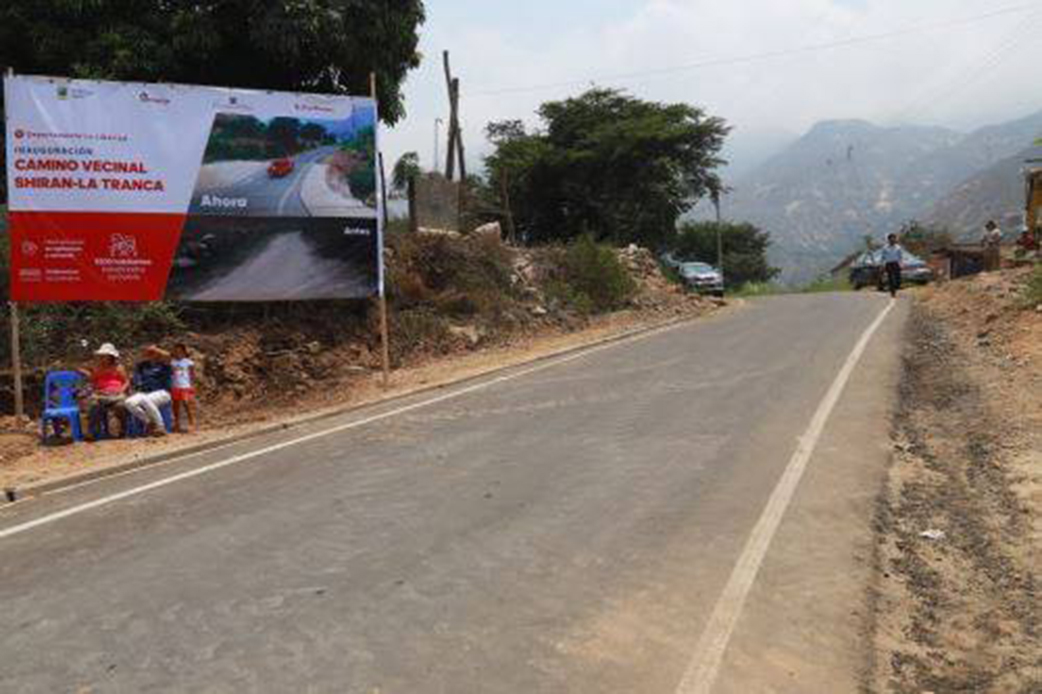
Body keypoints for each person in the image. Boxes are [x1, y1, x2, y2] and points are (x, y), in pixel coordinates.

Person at [78, 343, 130, 439]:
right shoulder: (98, 367)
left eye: (105, 356)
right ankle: (93, 432)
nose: (103, 358)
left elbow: (126, 381)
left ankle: (123, 429)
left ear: (111, 357)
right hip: (101, 393)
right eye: (102, 356)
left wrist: (121, 390)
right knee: (94, 405)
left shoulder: (118, 367)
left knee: (121, 406)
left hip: (116, 393)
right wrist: (95, 387)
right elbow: (93, 380)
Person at [124, 345, 173, 436]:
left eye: (153, 353)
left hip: (162, 392)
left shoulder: (164, 364)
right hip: (144, 393)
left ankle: (160, 426)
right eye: (149, 353)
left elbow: (169, 356)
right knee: (129, 403)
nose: (151, 354)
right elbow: (137, 361)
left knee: (145, 400)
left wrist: (156, 350)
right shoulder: (143, 365)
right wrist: (146, 353)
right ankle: (149, 422)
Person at [170, 342, 197, 433]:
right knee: (175, 406)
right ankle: (177, 424)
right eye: (176, 351)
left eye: (180, 351)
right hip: (175, 386)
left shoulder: (188, 362)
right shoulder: (172, 362)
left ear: (184, 352)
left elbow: (192, 374)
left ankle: (192, 423)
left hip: (185, 386)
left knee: (187, 404)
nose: (178, 352)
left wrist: (192, 385)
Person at [880, 233, 904, 298]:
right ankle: (892, 291)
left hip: (896, 263)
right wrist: (882, 265)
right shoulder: (885, 248)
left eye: (893, 239)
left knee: (897, 278)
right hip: (889, 264)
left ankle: (896, 287)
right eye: (891, 239)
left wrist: (901, 264)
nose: (892, 240)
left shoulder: (898, 247)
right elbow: (883, 257)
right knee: (890, 278)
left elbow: (900, 256)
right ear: (889, 240)